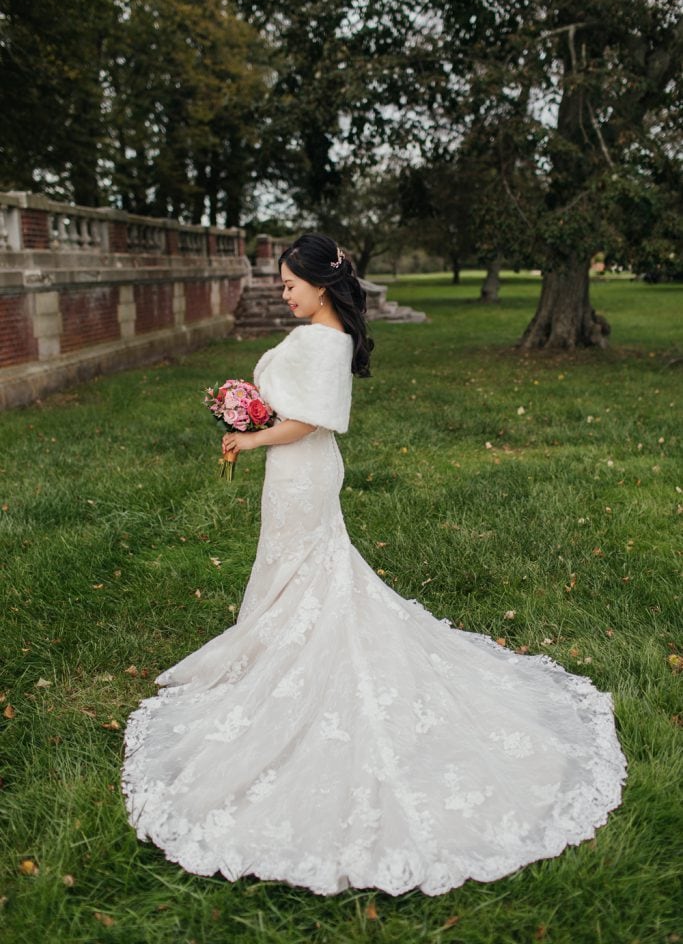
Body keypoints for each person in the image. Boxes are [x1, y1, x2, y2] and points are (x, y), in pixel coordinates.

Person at [122, 233, 627, 897]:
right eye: (281, 285)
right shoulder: (319, 338)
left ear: (320, 283)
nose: (284, 293)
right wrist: (249, 410)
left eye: (289, 284)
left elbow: (307, 422)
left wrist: (246, 437)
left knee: (309, 571)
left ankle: (298, 662)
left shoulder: (324, 342)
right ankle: (277, 645)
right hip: (297, 474)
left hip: (300, 471)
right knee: (298, 570)